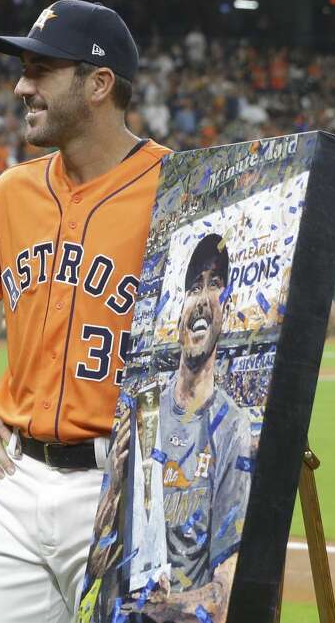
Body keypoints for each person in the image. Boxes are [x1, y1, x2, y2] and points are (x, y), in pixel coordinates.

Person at [0, 1, 172, 621]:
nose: (22, 86)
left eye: (42, 70)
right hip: (20, 483)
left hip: (127, 486)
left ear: (99, 84)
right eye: (24, 69)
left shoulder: (177, 192)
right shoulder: (12, 191)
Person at [142, 234, 250, 620]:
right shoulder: (145, 413)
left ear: (228, 306)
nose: (202, 297)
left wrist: (162, 606)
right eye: (193, 287)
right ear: (180, 308)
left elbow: (225, 593)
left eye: (215, 284)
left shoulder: (231, 429)